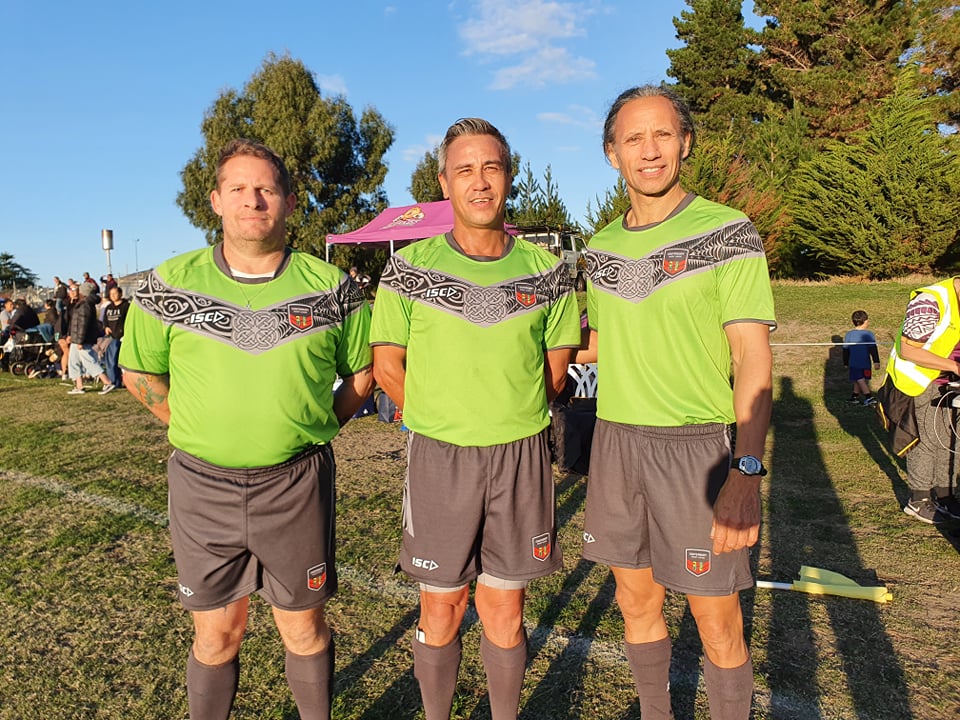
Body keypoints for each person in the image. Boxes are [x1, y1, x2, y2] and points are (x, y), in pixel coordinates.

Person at [119, 138, 373, 720]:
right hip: (202, 486)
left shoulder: (333, 288)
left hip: (296, 484)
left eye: (265, 189)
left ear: (287, 201)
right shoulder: (167, 285)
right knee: (217, 633)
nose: (252, 200)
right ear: (215, 200)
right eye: (238, 188)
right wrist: (192, 424)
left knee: (303, 627)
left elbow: (363, 374)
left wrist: (311, 430)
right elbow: (136, 371)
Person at [575, 85, 775, 720]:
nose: (649, 150)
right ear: (612, 155)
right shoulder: (599, 250)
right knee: (636, 606)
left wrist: (745, 471)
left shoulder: (727, 231)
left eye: (662, 134)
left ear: (685, 144)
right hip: (615, 445)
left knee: (716, 622)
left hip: (698, 450)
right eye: (633, 138)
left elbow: (753, 360)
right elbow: (599, 345)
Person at [370, 118, 581, 720]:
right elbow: (387, 368)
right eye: (465, 170)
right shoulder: (408, 268)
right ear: (444, 183)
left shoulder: (549, 271)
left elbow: (555, 370)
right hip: (441, 458)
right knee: (441, 607)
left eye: (491, 167)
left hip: (519, 455)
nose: (479, 182)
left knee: (505, 610)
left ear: (508, 178)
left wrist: (502, 412)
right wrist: (442, 418)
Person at [878, 277, 960, 524]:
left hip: (946, 382)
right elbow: (909, 350)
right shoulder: (930, 300)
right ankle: (919, 499)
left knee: (948, 437)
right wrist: (955, 366)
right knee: (925, 440)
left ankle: (946, 496)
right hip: (916, 382)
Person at [67, 283, 114, 395]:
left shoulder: (85, 305)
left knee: (89, 361)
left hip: (82, 339)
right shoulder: (84, 304)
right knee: (73, 361)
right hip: (76, 339)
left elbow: (83, 324)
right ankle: (79, 386)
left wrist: (80, 341)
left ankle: (107, 382)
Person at [842, 310, 880, 406]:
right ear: (866, 321)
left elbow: (845, 350)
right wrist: (876, 361)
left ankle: (857, 397)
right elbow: (873, 349)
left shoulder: (849, 334)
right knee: (859, 379)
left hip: (858, 363)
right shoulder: (869, 334)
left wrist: (845, 362)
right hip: (859, 363)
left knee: (859, 379)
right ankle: (868, 397)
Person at [101, 285, 129, 388]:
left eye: (115, 293)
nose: (112, 296)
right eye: (111, 294)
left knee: (123, 361)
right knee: (112, 361)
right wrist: (106, 327)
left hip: (123, 337)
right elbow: (105, 320)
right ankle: (114, 381)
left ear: (120, 294)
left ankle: (125, 381)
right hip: (112, 338)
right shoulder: (109, 307)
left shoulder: (126, 306)